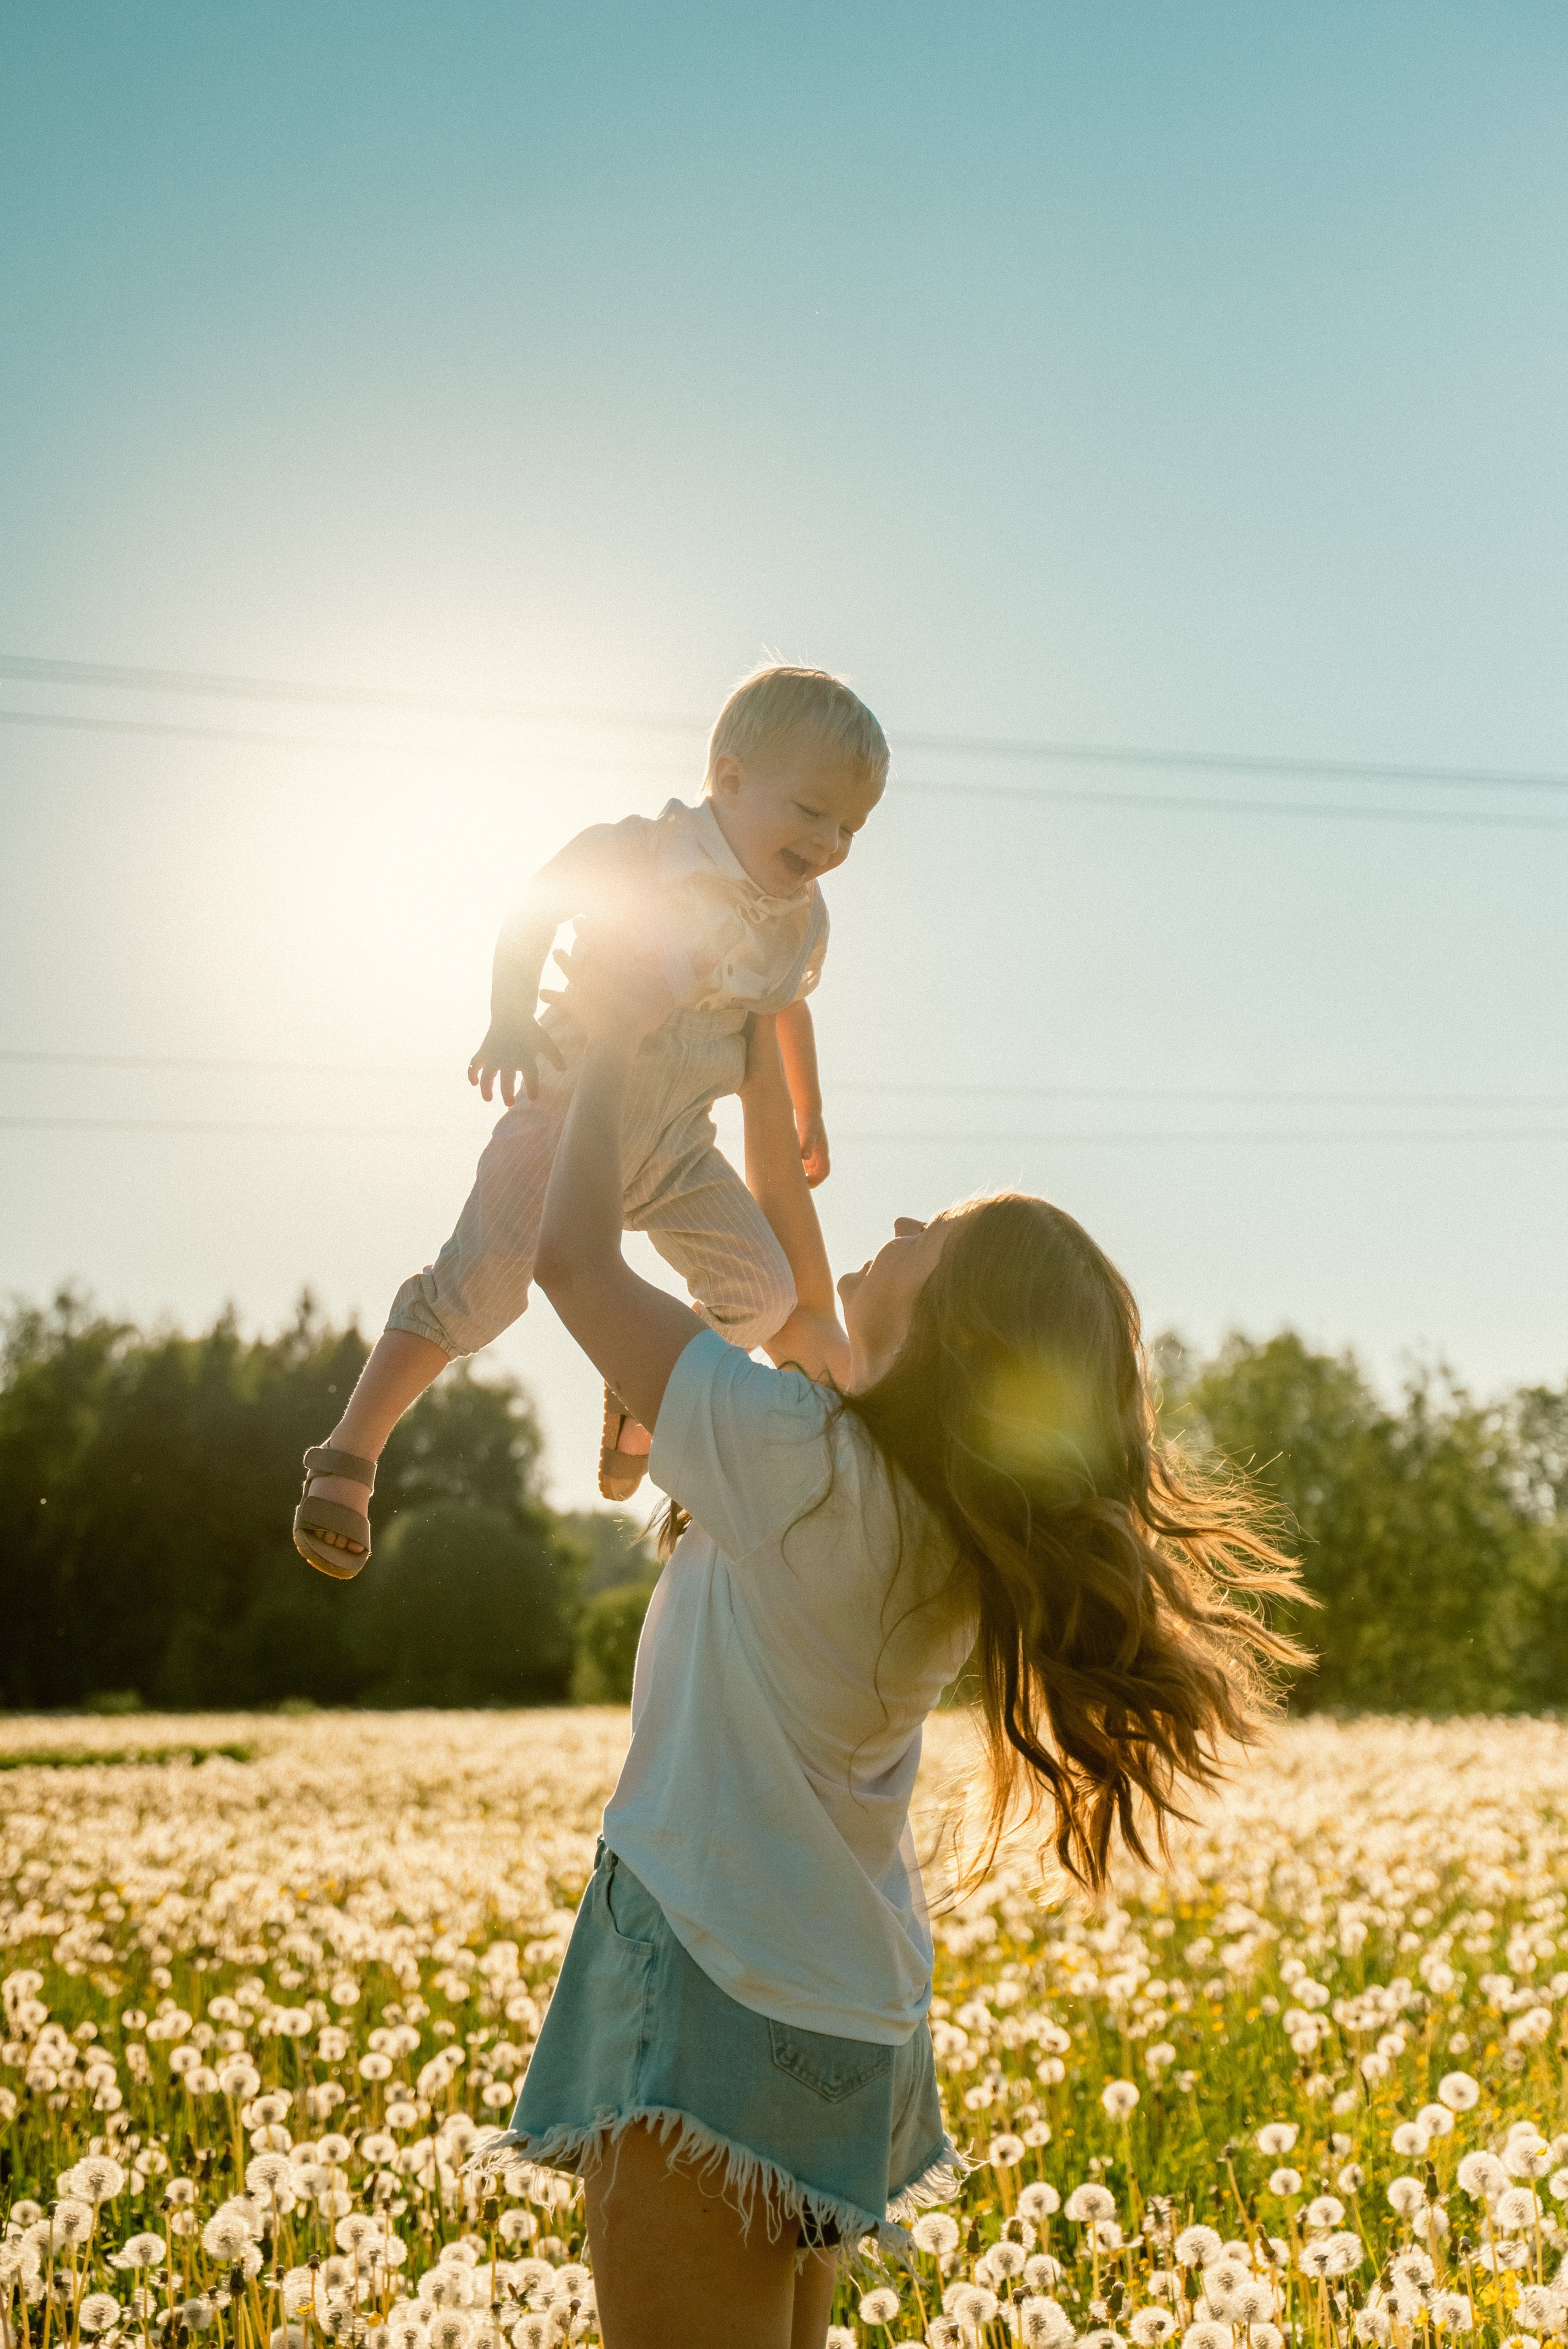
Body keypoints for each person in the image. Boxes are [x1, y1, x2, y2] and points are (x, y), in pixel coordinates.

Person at [478, 935, 1306, 2349]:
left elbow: (568, 1258)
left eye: (936, 1233)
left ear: (953, 1332)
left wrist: (612, 1028)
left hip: (712, 1972)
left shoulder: (796, 1461)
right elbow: (791, 1264)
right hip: (846, 2018)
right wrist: (758, 1061)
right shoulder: (916, 1513)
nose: (904, 1218)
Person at [291, 665, 887, 1578]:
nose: (830, 843)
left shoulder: (797, 918)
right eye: (812, 811)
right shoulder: (645, 853)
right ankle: (350, 1454)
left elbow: (785, 1004)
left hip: (679, 1145)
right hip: (568, 1116)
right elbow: (537, 903)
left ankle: (638, 1391)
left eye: (850, 827)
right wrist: (508, 1015)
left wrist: (808, 1104)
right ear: (730, 781)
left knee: (761, 1294)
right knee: (479, 1289)